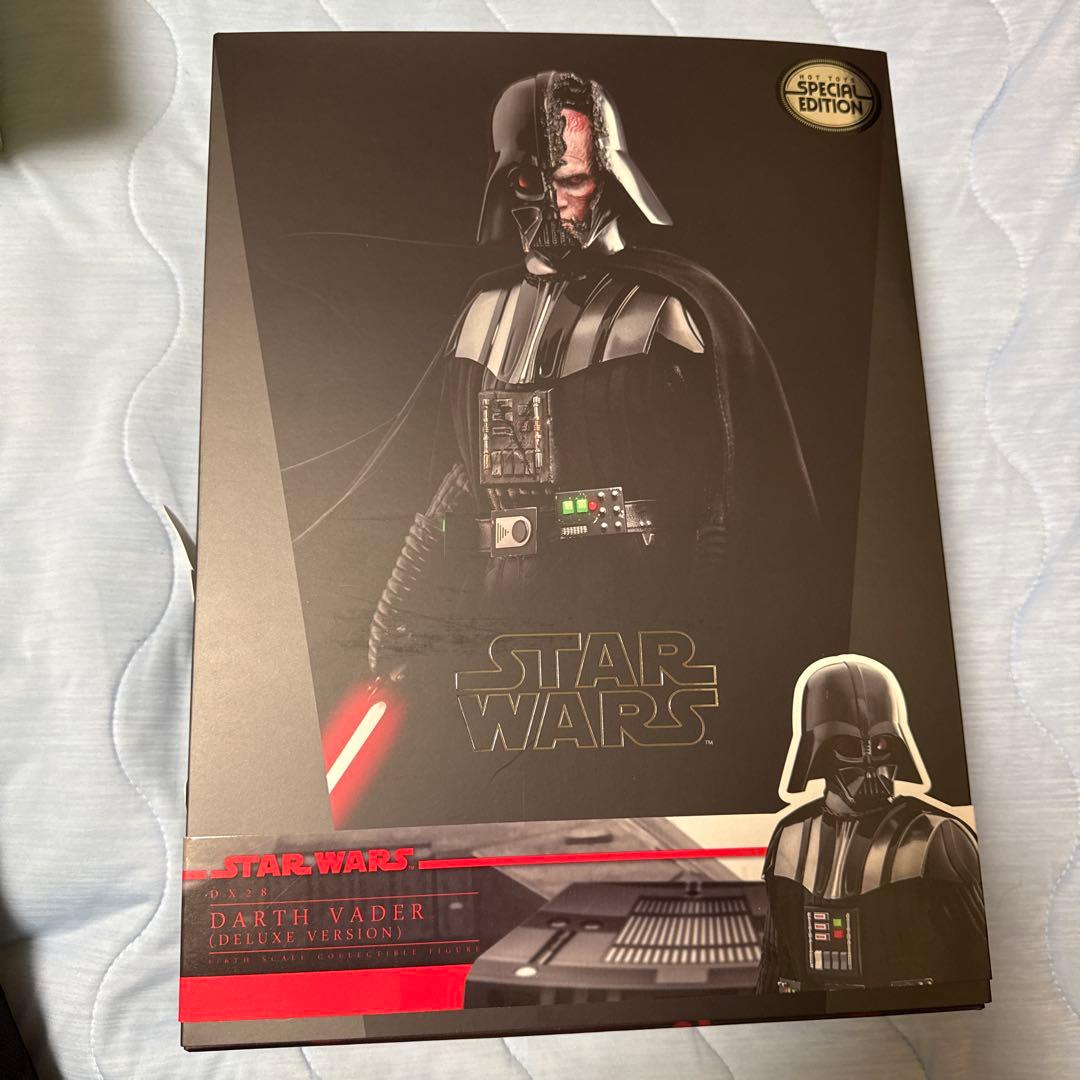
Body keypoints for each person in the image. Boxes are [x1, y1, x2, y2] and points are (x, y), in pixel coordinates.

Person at [367, 70, 820, 678]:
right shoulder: (482, 312)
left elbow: (729, 486)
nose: (553, 203)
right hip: (499, 606)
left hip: (633, 603)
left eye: (572, 180)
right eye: (529, 182)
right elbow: (462, 478)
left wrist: (710, 610)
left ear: (609, 180)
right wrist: (401, 617)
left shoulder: (668, 312)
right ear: (504, 184)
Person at [757, 655, 991, 993]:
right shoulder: (790, 836)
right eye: (849, 746)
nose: (869, 760)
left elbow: (976, 960)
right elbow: (775, 961)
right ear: (819, 752)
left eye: (880, 744)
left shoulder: (937, 836)